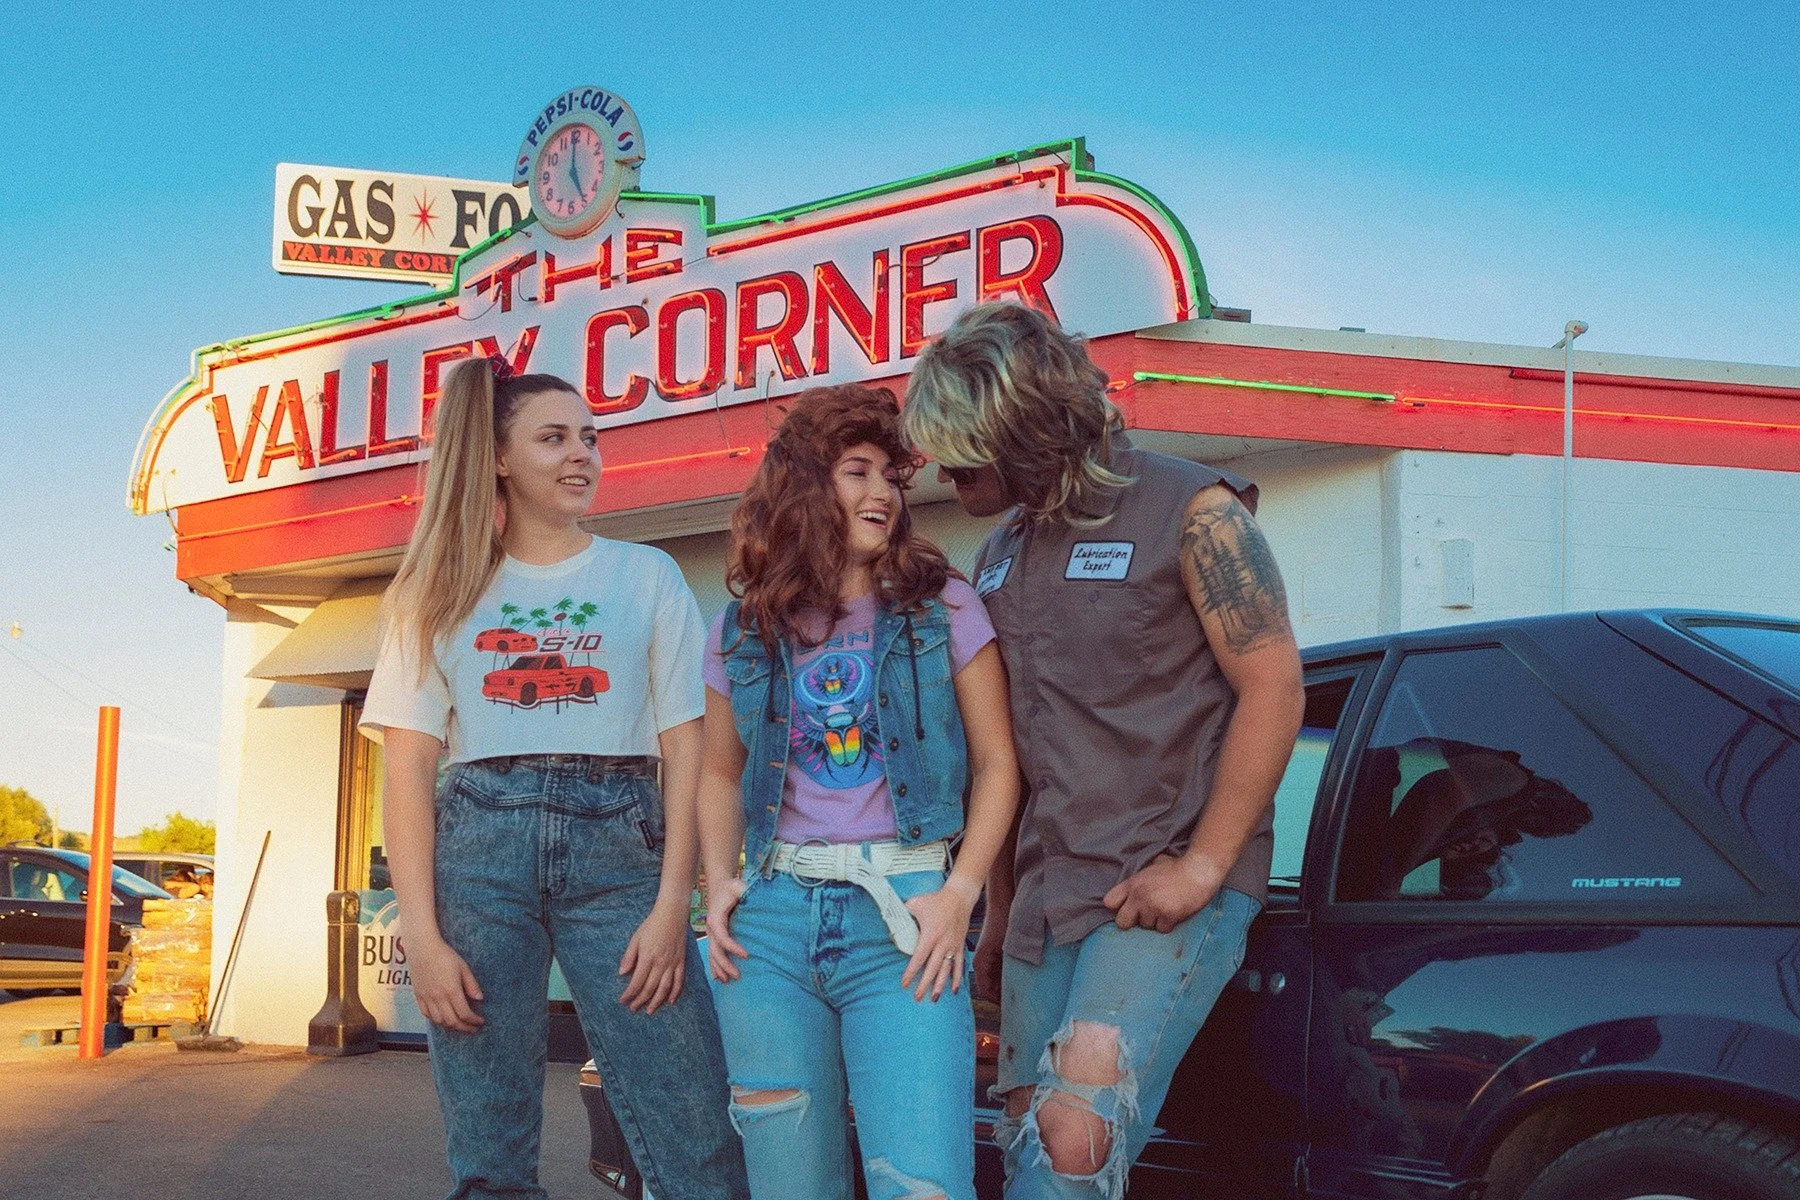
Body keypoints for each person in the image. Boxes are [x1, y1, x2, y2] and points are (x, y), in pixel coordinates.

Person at [905, 302, 1305, 1200]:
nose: (939, 466)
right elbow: (1006, 758)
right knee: (1023, 1146)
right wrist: (999, 916)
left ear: (1022, 429)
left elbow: (1274, 688)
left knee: (1073, 1141)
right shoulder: (1000, 552)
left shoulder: (1194, 511)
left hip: (1156, 887)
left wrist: (1203, 868)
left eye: (958, 443)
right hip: (1047, 902)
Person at [359, 356, 748, 1200]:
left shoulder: (646, 576)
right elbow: (409, 769)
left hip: (622, 857)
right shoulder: (435, 589)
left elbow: (688, 749)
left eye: (591, 437)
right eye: (554, 438)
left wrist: (668, 907)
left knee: (695, 1138)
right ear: (498, 457)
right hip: (477, 864)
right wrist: (420, 936)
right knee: (490, 1156)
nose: (583, 455)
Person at [699, 384, 1021, 1200]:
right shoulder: (745, 626)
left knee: (923, 1183)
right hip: (769, 925)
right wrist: (717, 882)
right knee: (788, 1187)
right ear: (805, 485)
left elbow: (999, 763)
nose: (882, 493)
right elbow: (715, 771)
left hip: (906, 918)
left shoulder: (940, 605)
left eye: (892, 477)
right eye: (857, 471)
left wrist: (960, 892)